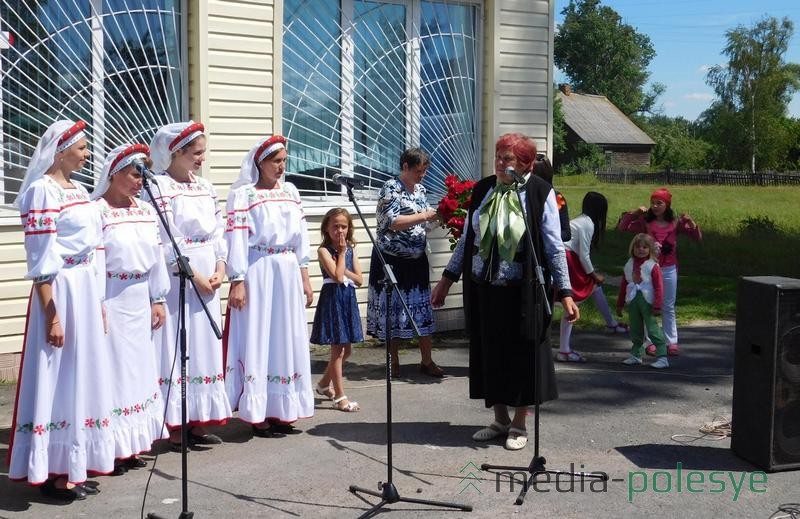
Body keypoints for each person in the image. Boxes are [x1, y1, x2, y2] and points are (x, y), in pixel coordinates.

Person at [431, 133, 579, 451]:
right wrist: (446, 279)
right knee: (490, 353)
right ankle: (499, 419)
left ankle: (519, 423)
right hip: (485, 287)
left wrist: (565, 291)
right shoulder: (484, 189)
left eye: (507, 158)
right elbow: (469, 242)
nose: (500, 163)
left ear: (524, 164)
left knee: (523, 356)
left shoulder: (540, 194)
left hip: (522, 290)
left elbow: (554, 247)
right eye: (498, 156)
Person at [7, 120, 113, 500]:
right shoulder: (42, 191)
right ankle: (52, 469)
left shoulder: (81, 190)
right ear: (62, 149)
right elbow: (42, 259)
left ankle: (74, 462)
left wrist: (98, 301)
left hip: (84, 288)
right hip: (61, 289)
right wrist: (52, 315)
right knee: (58, 373)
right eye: (82, 148)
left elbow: (96, 246)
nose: (87, 155)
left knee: (81, 374)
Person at [144, 121, 231, 449]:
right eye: (196, 153)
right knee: (178, 344)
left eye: (203, 152)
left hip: (209, 272)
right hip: (180, 276)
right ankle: (176, 422)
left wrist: (220, 267)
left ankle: (198, 420)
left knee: (203, 347)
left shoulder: (205, 187)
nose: (201, 159)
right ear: (176, 153)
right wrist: (192, 274)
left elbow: (219, 230)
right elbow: (165, 237)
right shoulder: (160, 187)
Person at [224, 135, 314, 437]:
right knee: (260, 335)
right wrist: (237, 280)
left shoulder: (290, 191)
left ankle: (283, 408)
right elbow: (235, 241)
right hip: (259, 269)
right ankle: (257, 411)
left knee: (286, 336)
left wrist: (304, 276)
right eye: (276, 161)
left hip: (287, 269)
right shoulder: (245, 195)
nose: (281, 166)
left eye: (284, 160)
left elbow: (301, 235)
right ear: (259, 162)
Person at [92, 144, 170, 473]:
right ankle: (112, 447)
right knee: (115, 371)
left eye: (142, 175)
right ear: (115, 172)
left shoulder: (146, 211)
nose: (140, 181)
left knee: (139, 371)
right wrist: (96, 303)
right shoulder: (97, 211)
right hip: (112, 294)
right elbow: (94, 261)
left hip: (140, 296)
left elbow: (156, 257)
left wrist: (158, 298)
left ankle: (134, 443)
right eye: (134, 174)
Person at [366, 148, 442, 378]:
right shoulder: (391, 188)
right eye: (418, 171)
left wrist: (439, 218)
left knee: (422, 308)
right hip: (392, 259)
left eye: (425, 171)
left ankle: (427, 361)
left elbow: (423, 224)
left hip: (416, 258)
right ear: (405, 167)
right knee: (393, 309)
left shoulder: (420, 190)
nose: (422, 176)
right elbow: (392, 222)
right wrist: (425, 216)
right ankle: (393, 361)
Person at [618, 188, 701, 356]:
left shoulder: (675, 223)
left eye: (659, 203)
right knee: (648, 304)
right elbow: (623, 227)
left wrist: (691, 223)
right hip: (649, 268)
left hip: (669, 269)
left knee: (668, 306)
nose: (655, 206)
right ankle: (652, 341)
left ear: (667, 205)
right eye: (653, 203)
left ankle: (672, 342)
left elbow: (697, 237)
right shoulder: (645, 222)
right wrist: (634, 213)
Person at [557, 192, 628, 363]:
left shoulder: (582, 220)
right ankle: (564, 350)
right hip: (567, 258)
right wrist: (593, 274)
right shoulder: (587, 224)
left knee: (594, 288)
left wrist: (593, 278)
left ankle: (611, 324)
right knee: (573, 302)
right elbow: (584, 256)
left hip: (566, 256)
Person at [310, 208, 364, 412]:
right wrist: (340, 254)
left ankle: (324, 384)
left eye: (343, 226)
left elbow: (358, 280)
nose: (340, 230)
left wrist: (344, 258)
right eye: (335, 226)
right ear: (326, 228)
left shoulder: (350, 249)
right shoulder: (324, 250)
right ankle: (340, 397)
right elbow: (337, 277)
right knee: (338, 351)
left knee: (346, 349)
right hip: (333, 299)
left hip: (347, 299)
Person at [617, 233, 669, 369]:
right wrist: (620, 303)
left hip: (647, 300)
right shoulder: (629, 265)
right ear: (632, 248)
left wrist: (657, 304)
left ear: (650, 249)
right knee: (635, 327)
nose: (641, 249)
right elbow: (624, 285)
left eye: (645, 247)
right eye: (638, 247)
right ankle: (636, 354)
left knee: (652, 328)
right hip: (633, 300)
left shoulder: (653, 266)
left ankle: (662, 356)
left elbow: (659, 286)